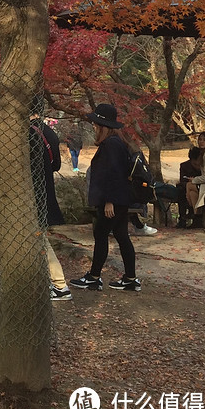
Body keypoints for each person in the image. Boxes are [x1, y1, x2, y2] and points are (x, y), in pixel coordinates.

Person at [70, 103, 140, 292]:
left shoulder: (111, 145)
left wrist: (109, 200)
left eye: (95, 124)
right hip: (120, 198)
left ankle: (94, 277)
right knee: (121, 236)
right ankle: (130, 278)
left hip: (113, 200)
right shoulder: (117, 143)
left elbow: (114, 173)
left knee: (101, 235)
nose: (93, 127)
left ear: (103, 126)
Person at [28, 97, 70, 301]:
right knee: (37, 238)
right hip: (47, 191)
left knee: (39, 239)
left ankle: (60, 284)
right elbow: (56, 165)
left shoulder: (28, 134)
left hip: (33, 195)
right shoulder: (49, 132)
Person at [176, 147, 201, 227]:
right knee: (181, 190)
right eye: (194, 164)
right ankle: (182, 218)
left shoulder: (204, 167)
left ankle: (195, 216)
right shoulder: (184, 166)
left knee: (191, 192)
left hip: (200, 188)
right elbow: (182, 180)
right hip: (187, 188)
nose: (197, 166)